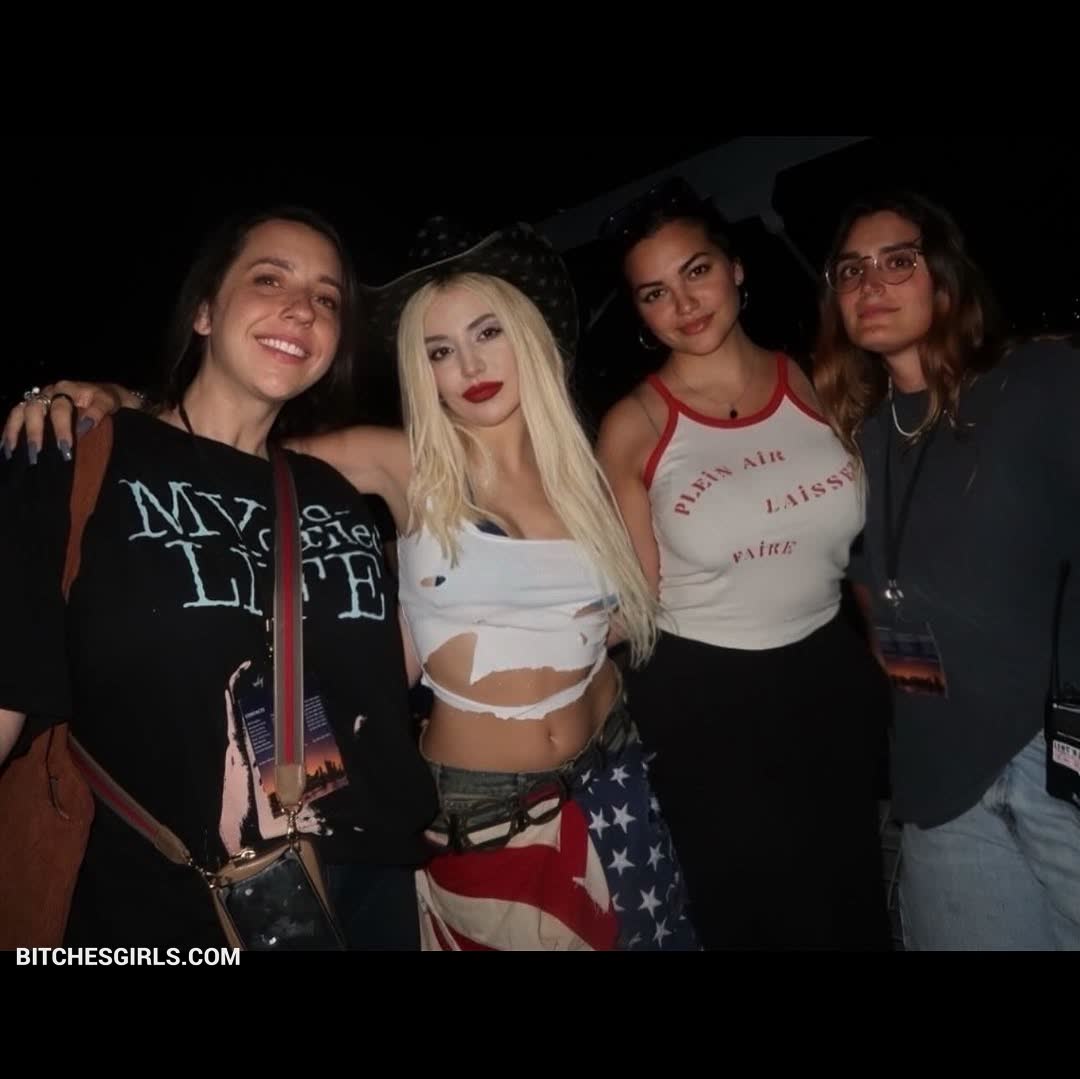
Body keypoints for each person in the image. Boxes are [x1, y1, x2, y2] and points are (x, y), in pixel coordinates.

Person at [9, 217, 698, 951]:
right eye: (439, 350)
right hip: (476, 814)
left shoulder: (589, 471)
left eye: (488, 332)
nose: (469, 365)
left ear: (528, 336)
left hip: (602, 777)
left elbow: (625, 616)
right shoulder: (400, 460)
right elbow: (225, 447)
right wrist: (117, 401)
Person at [0, 206, 438, 950]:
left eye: (327, 298)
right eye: (269, 279)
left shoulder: (335, 493)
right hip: (172, 896)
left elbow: (374, 681)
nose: (302, 308)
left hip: (368, 884)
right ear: (204, 311)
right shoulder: (79, 455)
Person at [595, 177, 892, 950]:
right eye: (655, 293)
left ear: (735, 268)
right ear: (640, 312)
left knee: (854, 900)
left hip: (830, 673)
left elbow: (871, 544)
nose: (684, 303)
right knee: (756, 917)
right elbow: (634, 598)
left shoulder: (818, 380)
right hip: (707, 697)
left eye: (696, 271)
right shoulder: (634, 424)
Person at [813, 189, 1080, 950]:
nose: (871, 283)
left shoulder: (1039, 379)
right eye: (851, 270)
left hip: (1054, 755)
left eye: (898, 261)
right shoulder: (853, 435)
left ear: (945, 278)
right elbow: (863, 571)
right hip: (937, 775)